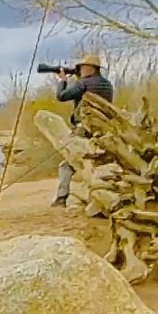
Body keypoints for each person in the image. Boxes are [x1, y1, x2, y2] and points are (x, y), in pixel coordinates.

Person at [52, 53, 114, 207]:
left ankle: (62, 197)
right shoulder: (107, 85)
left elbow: (61, 96)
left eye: (83, 68)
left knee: (67, 164)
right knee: (96, 162)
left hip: (84, 129)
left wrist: (63, 80)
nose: (81, 70)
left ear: (92, 69)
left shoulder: (84, 83)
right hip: (104, 129)